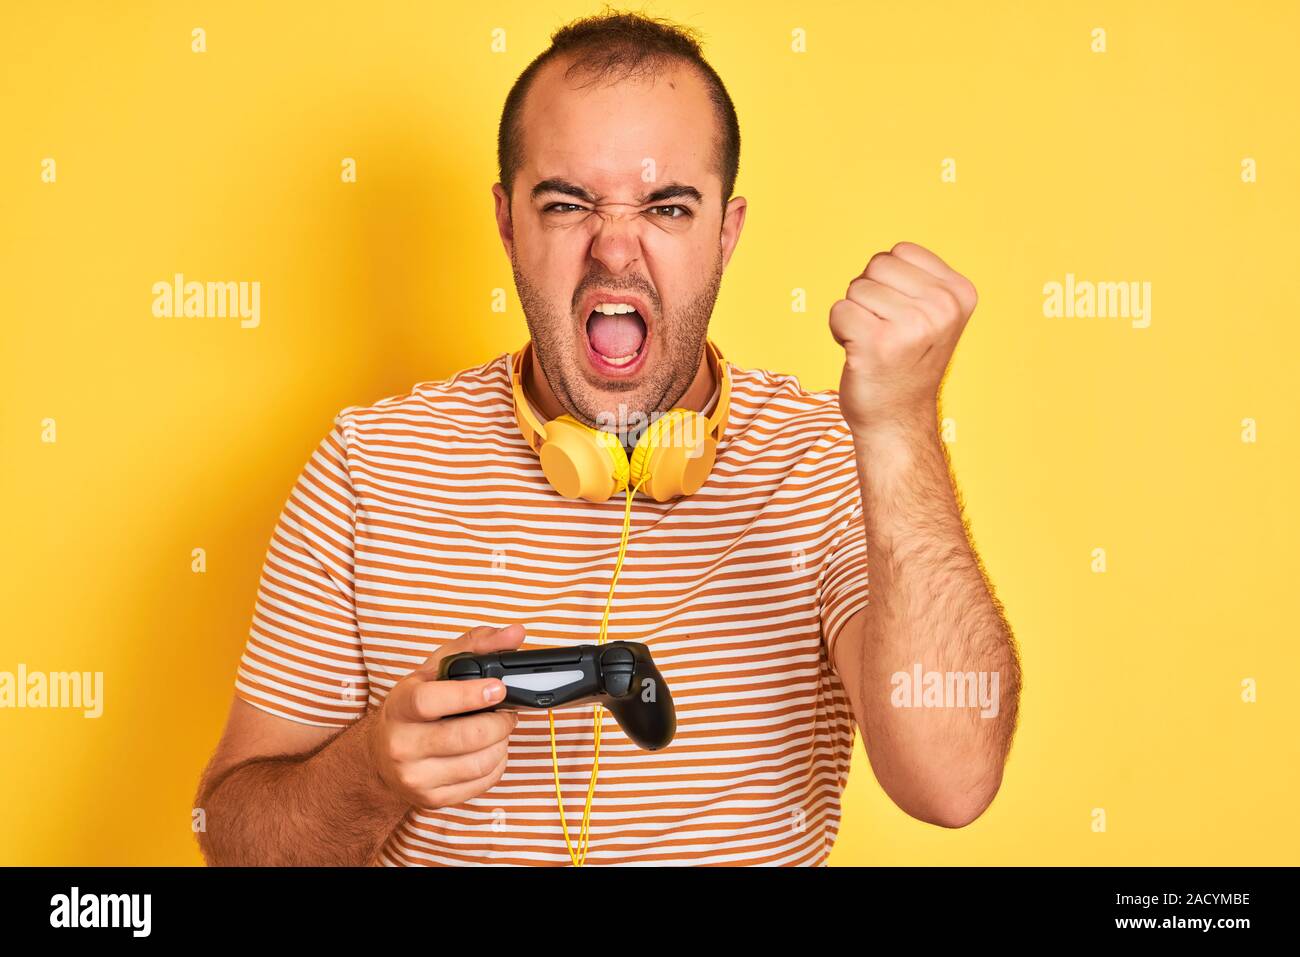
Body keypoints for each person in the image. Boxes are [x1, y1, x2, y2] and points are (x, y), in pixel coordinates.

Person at [195, 9, 1020, 867]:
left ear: (725, 234)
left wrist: (899, 428)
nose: (615, 251)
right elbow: (233, 844)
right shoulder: (367, 466)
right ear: (508, 222)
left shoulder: (826, 461)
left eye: (667, 206)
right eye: (566, 203)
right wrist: (371, 772)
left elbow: (952, 783)